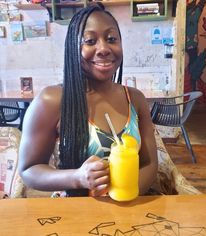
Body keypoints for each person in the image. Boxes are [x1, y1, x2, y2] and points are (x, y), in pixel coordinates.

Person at [18, 3, 158, 197]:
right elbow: (29, 171)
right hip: (77, 213)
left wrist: (124, 197)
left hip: (129, 210)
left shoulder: (135, 99)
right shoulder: (52, 100)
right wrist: (77, 177)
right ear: (73, 47)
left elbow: (150, 164)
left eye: (111, 39)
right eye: (90, 41)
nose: (103, 49)